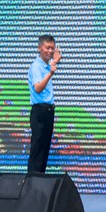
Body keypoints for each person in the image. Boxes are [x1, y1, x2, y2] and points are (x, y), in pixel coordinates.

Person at [26, 34, 61, 175]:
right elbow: (38, 88)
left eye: (52, 48)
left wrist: (53, 65)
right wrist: (50, 73)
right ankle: (32, 183)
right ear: (39, 48)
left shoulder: (47, 66)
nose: (50, 51)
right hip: (39, 112)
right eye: (47, 47)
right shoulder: (36, 67)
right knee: (37, 150)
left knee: (45, 149)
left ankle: (40, 182)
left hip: (48, 111)